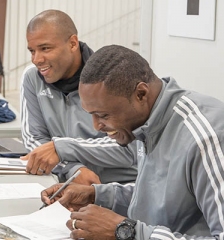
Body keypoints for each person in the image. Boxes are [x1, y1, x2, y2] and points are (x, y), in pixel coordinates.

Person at [41, 45, 224, 239]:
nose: (96, 126)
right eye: (92, 115)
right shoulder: (146, 122)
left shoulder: (206, 138)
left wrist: (126, 231)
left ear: (141, 94)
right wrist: (97, 195)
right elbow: (163, 198)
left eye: (103, 115)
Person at [21, 9, 137, 184]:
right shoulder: (32, 78)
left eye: (45, 48)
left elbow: (128, 150)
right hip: (66, 186)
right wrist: (73, 168)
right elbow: (35, 140)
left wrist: (62, 148)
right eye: (32, 51)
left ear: (73, 43)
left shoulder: (111, 78)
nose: (37, 59)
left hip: (119, 190)